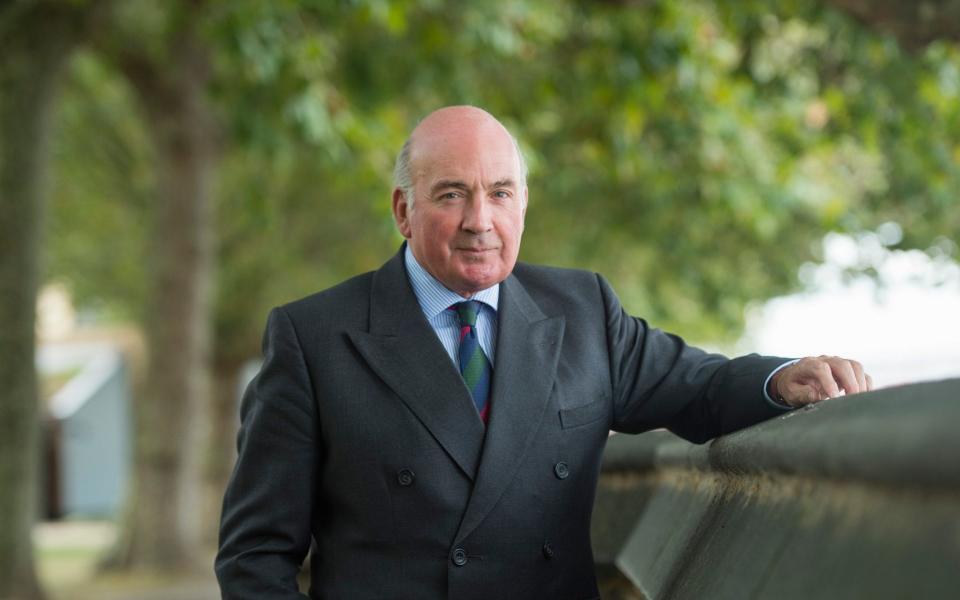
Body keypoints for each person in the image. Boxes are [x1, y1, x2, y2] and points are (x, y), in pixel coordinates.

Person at [215, 106, 872, 599]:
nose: (481, 219)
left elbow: (696, 387)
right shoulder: (314, 336)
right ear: (402, 210)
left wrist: (785, 380)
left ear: (523, 203)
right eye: (451, 195)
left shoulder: (582, 309)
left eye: (500, 193)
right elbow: (255, 553)